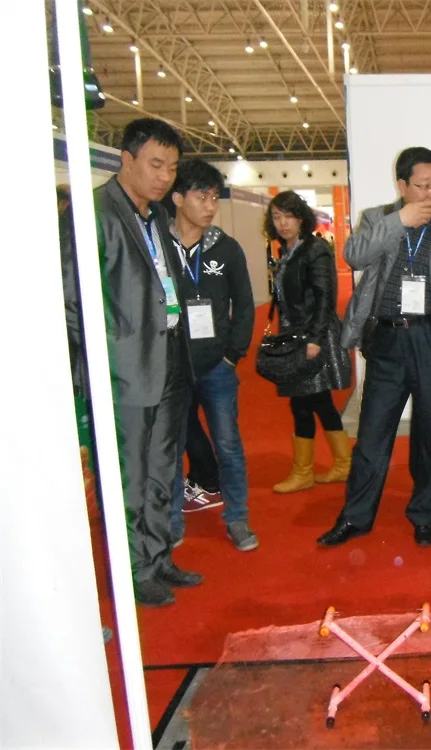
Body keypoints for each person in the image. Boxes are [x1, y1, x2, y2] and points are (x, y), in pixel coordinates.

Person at [60, 117, 202, 607]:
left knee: (163, 470)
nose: (164, 177)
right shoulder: (94, 212)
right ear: (126, 159)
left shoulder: (156, 216)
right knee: (128, 478)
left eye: (172, 168)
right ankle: (134, 571)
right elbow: (71, 299)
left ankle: (158, 556)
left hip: (169, 361)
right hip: (124, 373)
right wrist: (107, 358)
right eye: (155, 164)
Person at [317, 146, 431, 548]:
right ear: (402, 185)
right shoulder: (377, 218)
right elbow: (354, 256)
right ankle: (355, 516)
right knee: (373, 433)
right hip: (387, 340)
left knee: (430, 435)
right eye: (423, 186)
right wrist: (399, 221)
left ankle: (424, 513)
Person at [166, 159, 257, 551]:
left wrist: (232, 355)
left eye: (214, 198)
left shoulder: (227, 248)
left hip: (217, 366)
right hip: (172, 366)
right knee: (171, 447)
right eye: (201, 197)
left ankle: (237, 518)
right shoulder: (158, 248)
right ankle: (171, 522)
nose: (210, 206)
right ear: (178, 198)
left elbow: (245, 305)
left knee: (228, 444)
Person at [266, 191, 352, 493]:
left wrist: (314, 339)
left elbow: (326, 296)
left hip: (313, 336)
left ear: (301, 218)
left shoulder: (315, 249)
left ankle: (306, 471)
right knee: (316, 401)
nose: (283, 223)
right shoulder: (287, 250)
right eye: (277, 217)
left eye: (289, 216)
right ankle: (341, 464)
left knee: (305, 402)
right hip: (295, 335)